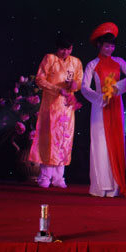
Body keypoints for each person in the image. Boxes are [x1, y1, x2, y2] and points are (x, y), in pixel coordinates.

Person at [82, 22, 126, 197]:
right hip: (100, 107)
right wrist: (100, 98)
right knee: (100, 144)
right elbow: (84, 87)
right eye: (106, 46)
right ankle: (100, 187)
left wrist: (117, 88)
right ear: (99, 45)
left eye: (112, 46)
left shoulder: (119, 62)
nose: (110, 49)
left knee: (115, 142)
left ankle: (114, 186)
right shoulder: (92, 64)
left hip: (116, 104)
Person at [28, 33, 83, 188]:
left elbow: (79, 81)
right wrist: (57, 89)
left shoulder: (76, 62)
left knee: (64, 140)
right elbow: (40, 80)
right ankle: (45, 177)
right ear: (57, 48)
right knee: (49, 139)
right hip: (51, 106)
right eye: (62, 49)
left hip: (67, 107)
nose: (65, 52)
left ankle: (59, 178)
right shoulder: (50, 59)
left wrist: (75, 85)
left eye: (68, 49)